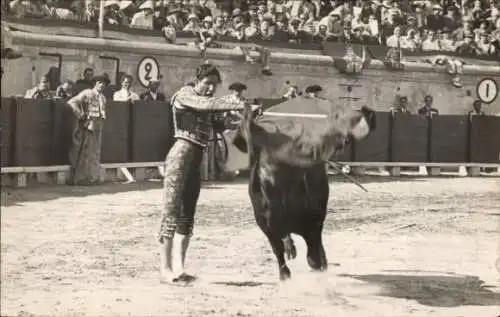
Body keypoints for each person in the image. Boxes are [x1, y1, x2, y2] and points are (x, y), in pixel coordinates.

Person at [158, 63, 258, 285]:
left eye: (215, 85)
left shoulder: (208, 105)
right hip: (179, 158)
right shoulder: (185, 95)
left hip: (196, 160)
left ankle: (180, 268)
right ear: (197, 80)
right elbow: (205, 104)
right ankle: (165, 268)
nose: (211, 88)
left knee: (187, 214)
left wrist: (248, 116)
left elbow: (225, 124)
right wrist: (234, 103)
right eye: (208, 83)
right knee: (171, 211)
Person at [67, 75, 110, 185]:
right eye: (99, 82)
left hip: (98, 126)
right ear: (95, 83)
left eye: (104, 83)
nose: (102, 85)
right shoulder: (87, 93)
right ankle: (80, 178)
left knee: (95, 152)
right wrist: (80, 115)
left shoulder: (103, 97)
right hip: (87, 126)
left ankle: (92, 178)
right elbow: (72, 102)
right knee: (85, 152)